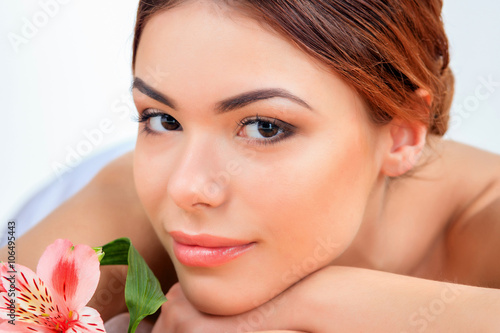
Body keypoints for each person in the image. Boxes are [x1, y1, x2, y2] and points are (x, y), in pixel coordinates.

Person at [2, 0, 500, 331]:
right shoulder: (140, 196)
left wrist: (312, 303)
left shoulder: (485, 216)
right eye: (161, 118)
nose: (186, 187)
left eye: (264, 127)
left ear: (401, 134)